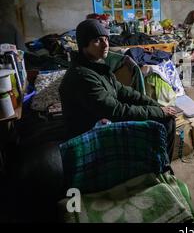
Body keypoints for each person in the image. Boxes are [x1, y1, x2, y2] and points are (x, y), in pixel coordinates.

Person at [59, 19, 178, 159]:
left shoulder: (96, 64)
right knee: (166, 122)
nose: (105, 45)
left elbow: (123, 91)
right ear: (84, 45)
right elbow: (116, 110)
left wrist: (156, 105)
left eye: (106, 39)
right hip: (91, 131)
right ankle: (161, 167)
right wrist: (158, 112)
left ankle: (156, 163)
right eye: (97, 40)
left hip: (104, 117)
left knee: (162, 115)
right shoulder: (83, 76)